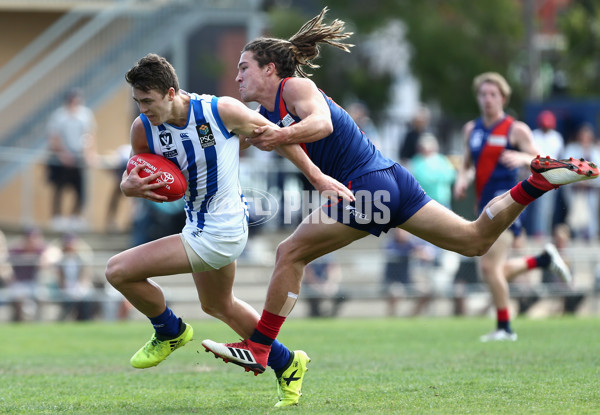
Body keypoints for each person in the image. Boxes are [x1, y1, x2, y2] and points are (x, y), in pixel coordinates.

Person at [201, 7, 598, 367]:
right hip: (391, 180)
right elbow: (288, 142)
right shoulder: (268, 111)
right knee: (474, 240)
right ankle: (537, 183)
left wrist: (278, 139)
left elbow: (319, 126)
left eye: (244, 67)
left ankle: (261, 346)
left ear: (270, 69)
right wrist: (316, 175)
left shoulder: (295, 88)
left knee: (289, 253)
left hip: (368, 186)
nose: (237, 76)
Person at [104, 53, 353, 407]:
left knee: (118, 270)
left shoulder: (220, 111)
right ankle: (288, 364)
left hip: (222, 228)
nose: (143, 109)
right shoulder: (143, 129)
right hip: (198, 223)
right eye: (138, 102)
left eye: (149, 101)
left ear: (171, 92)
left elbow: (277, 137)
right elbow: (137, 169)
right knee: (218, 305)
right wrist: (129, 187)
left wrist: (317, 177)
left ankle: (169, 330)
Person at [453, 72, 583, 341]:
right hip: (483, 206)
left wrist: (522, 156)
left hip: (508, 203)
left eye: (493, 94)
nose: (487, 99)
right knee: (492, 270)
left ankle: (505, 328)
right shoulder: (471, 129)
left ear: (503, 97)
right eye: (483, 94)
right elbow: (467, 165)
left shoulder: (516, 129)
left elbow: (541, 160)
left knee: (489, 269)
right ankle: (543, 259)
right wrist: (462, 180)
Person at [46, 88, 96, 231]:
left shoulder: (85, 115)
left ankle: (76, 217)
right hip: (61, 160)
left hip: (79, 158)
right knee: (59, 188)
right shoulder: (59, 116)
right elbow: (54, 138)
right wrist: (63, 154)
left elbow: (89, 136)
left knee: (80, 190)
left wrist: (89, 153)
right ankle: (57, 217)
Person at [524, 110, 565, 239]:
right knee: (524, 203)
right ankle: (524, 233)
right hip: (534, 173)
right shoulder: (534, 135)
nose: (545, 127)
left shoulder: (557, 137)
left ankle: (542, 233)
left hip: (552, 174)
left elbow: (560, 158)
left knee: (546, 208)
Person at [562, 124, 600, 241]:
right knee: (576, 218)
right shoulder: (571, 149)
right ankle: (576, 239)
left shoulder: (596, 151)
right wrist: (577, 180)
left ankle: (590, 238)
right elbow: (565, 167)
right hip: (575, 189)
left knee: (591, 217)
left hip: (591, 189)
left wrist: (590, 182)